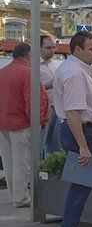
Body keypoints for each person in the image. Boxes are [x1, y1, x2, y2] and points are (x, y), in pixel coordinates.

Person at [53, 31, 92, 227]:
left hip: (83, 131)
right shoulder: (74, 73)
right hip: (82, 132)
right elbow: (73, 112)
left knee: (81, 186)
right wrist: (83, 146)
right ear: (77, 49)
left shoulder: (79, 69)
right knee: (80, 187)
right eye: (91, 49)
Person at [0, 43, 49, 208]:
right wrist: (39, 122)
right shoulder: (28, 73)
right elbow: (33, 102)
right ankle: (21, 198)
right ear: (28, 56)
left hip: (3, 123)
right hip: (22, 124)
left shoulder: (2, 72)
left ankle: (15, 194)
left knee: (9, 162)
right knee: (22, 163)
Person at [40, 35, 61, 156]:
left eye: (53, 47)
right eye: (48, 48)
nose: (52, 51)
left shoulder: (52, 64)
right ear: (39, 48)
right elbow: (32, 89)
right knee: (41, 142)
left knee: (54, 144)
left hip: (55, 107)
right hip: (43, 110)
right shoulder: (34, 66)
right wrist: (48, 85)